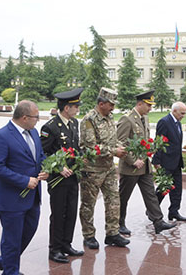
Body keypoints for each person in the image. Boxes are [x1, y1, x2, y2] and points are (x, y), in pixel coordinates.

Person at [0, 100, 49, 275]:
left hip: (33, 196)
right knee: (12, 238)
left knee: (29, 230)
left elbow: (40, 156)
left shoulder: (34, 132)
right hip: (11, 198)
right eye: (36, 117)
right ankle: (10, 271)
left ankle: (6, 260)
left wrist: (46, 169)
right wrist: (24, 181)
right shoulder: (0, 136)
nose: (38, 120)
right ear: (24, 117)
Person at [117, 90, 176, 235]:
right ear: (140, 104)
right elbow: (120, 143)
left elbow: (144, 141)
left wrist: (151, 150)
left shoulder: (145, 118)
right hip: (130, 168)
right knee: (123, 197)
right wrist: (133, 160)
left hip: (144, 166)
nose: (150, 108)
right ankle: (119, 223)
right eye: (148, 105)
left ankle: (158, 221)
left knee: (150, 194)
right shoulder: (127, 119)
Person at [79, 87, 130, 249]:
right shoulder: (89, 120)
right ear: (101, 104)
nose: (113, 108)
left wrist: (122, 147)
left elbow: (112, 140)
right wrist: (114, 151)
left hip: (108, 168)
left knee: (114, 201)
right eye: (111, 104)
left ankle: (112, 233)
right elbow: (91, 148)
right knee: (88, 204)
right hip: (92, 170)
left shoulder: (109, 117)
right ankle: (88, 236)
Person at [40, 87, 85, 263]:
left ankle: (66, 244)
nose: (78, 109)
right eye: (76, 106)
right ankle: (55, 249)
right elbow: (43, 153)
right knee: (59, 213)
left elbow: (75, 147)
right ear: (67, 108)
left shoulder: (74, 123)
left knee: (71, 212)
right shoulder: (50, 127)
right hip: (58, 179)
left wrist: (82, 158)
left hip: (72, 176)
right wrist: (58, 167)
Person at [153, 101, 186, 221]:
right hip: (166, 162)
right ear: (174, 111)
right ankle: (152, 210)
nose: (183, 116)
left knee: (177, 189)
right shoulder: (164, 122)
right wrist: (156, 162)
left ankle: (174, 211)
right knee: (164, 188)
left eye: (184, 113)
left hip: (177, 162)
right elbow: (159, 142)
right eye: (182, 113)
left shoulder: (178, 123)